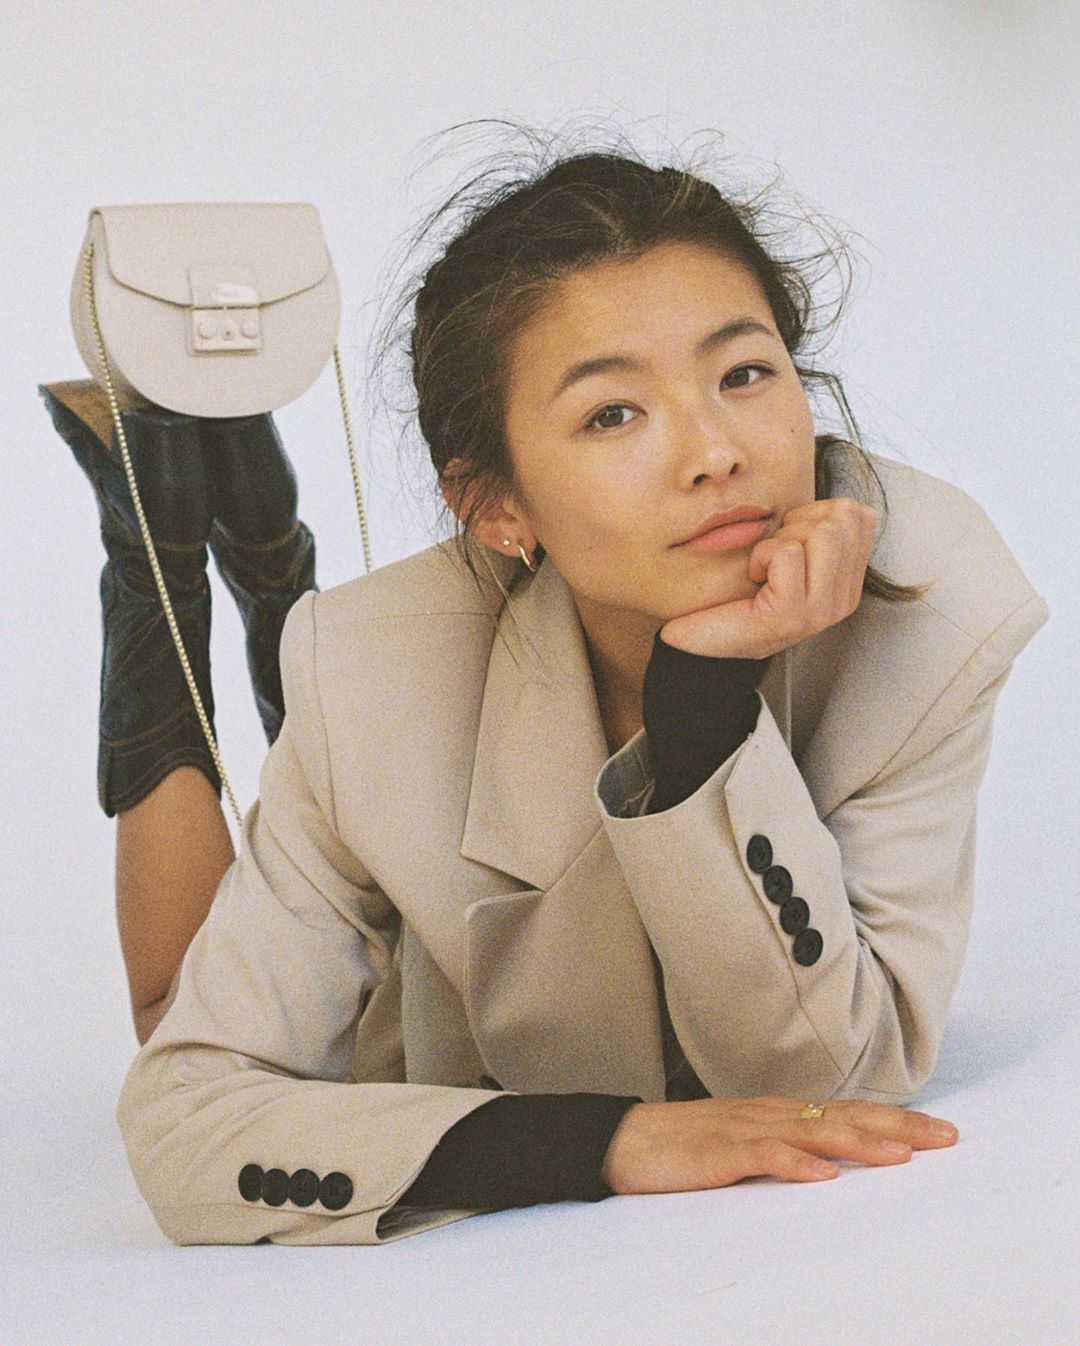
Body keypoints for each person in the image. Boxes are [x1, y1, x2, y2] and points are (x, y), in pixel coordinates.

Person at [51, 135, 1049, 1247]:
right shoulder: (368, 667)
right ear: (496, 507)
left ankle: (251, 532)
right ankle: (156, 556)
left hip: (435, 689)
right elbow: (186, 1114)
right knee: (164, 1006)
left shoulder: (938, 603)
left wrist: (703, 708)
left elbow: (832, 1076)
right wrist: (606, 1142)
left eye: (744, 373)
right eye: (613, 413)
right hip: (413, 702)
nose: (716, 453)